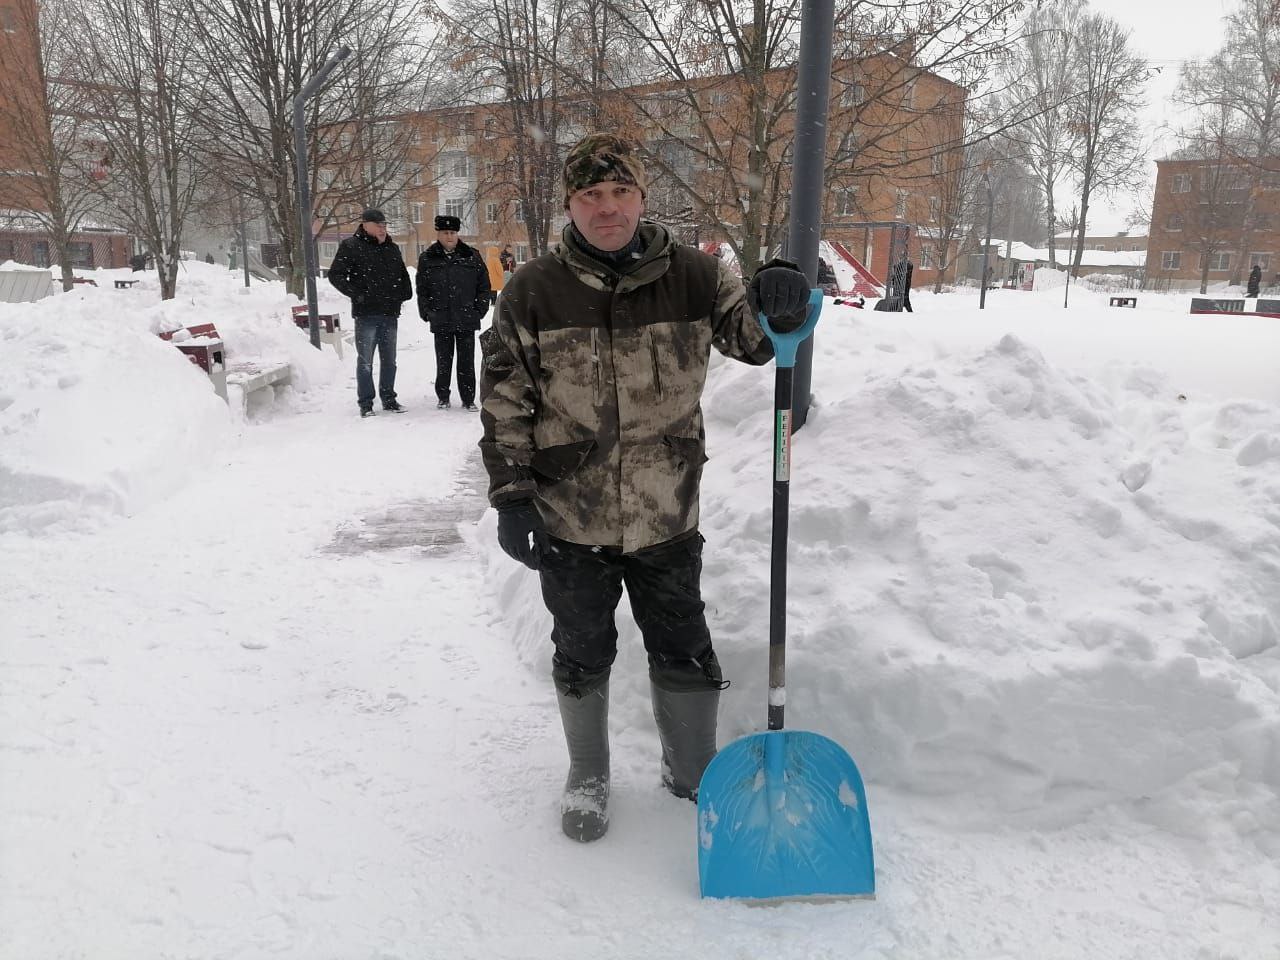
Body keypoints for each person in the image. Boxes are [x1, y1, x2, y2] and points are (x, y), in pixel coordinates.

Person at [478, 133, 810, 843]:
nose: (607, 208)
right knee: (581, 649)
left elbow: (758, 343)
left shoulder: (697, 275)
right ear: (569, 203)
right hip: (571, 512)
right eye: (591, 196)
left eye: (620, 193)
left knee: (683, 645)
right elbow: (505, 398)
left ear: (642, 198)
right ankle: (589, 775)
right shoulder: (534, 289)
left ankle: (692, 771)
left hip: (667, 507)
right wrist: (510, 496)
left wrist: (779, 288)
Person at [327, 208, 412, 417]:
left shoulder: (391, 248)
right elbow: (335, 275)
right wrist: (357, 294)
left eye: (385, 226)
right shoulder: (351, 247)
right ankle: (366, 403)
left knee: (389, 360)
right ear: (365, 225)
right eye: (378, 226)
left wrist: (403, 295)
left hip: (389, 314)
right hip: (366, 315)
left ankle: (389, 398)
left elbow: (402, 274)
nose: (383, 229)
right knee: (365, 360)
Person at [417, 214, 492, 411]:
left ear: (457, 234)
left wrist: (479, 310)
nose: (449, 236)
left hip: (467, 317)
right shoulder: (428, 258)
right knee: (443, 361)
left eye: (452, 233)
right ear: (438, 234)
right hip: (441, 317)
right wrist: (427, 312)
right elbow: (422, 289)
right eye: (445, 233)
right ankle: (443, 396)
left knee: (466, 362)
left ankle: (468, 399)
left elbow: (484, 286)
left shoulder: (471, 256)